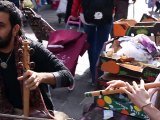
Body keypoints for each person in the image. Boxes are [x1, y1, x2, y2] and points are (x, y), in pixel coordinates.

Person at [0, 1, 74, 119]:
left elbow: (68, 77)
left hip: (35, 114)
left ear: (15, 29)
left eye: (1, 26)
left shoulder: (30, 48)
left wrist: (41, 77)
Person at [71, 0, 114, 85]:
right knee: (101, 46)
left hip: (87, 13)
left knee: (91, 45)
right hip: (107, 12)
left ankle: (94, 74)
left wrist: (74, 13)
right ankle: (99, 75)